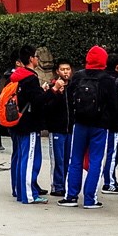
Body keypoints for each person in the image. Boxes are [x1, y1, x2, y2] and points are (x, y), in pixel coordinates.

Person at [61, 45, 117, 208]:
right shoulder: (107, 79)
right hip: (100, 125)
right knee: (96, 161)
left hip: (80, 123)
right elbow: (113, 105)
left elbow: (70, 100)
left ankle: (70, 196)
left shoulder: (78, 76)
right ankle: (90, 198)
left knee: (75, 159)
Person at [6, 45, 48, 204]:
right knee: (30, 159)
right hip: (28, 123)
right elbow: (37, 101)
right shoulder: (30, 78)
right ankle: (29, 195)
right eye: (36, 56)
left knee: (20, 156)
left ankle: (18, 190)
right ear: (31, 58)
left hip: (16, 121)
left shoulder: (15, 75)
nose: (37, 59)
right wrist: (49, 92)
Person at [45, 60, 73, 200]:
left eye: (68, 69)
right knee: (58, 159)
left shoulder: (73, 87)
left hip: (70, 129)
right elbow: (47, 107)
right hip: (56, 129)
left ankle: (67, 185)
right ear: (57, 71)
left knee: (69, 159)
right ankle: (57, 186)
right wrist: (56, 92)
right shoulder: (52, 87)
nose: (66, 72)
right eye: (63, 69)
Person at [103, 53, 118, 190]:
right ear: (117, 66)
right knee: (112, 153)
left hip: (103, 122)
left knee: (106, 152)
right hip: (113, 123)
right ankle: (110, 182)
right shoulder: (117, 81)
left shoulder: (103, 78)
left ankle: (109, 180)